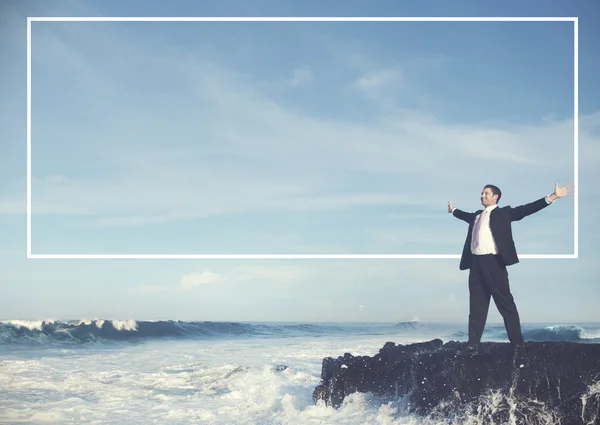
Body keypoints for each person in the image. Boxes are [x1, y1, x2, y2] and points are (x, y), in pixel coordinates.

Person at [448, 182, 574, 347]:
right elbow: (464, 215)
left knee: (505, 303)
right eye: (481, 193)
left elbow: (527, 209)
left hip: (494, 262)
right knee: (477, 306)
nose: (482, 196)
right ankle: (472, 344)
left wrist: (552, 197)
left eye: (486, 193)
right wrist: (454, 210)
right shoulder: (477, 215)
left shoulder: (504, 213)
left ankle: (517, 343)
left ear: (495, 197)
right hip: (475, 264)